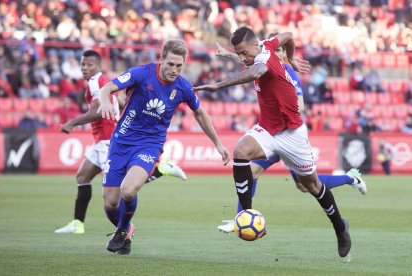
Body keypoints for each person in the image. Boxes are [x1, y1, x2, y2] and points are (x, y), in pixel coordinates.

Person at [194, 27, 351, 258]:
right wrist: (291, 58)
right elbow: (288, 35)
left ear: (255, 46)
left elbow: (256, 72)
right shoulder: (266, 44)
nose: (242, 58)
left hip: (292, 134)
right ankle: (246, 214)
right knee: (241, 152)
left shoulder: (264, 57)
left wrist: (218, 86)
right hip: (268, 129)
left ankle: (339, 227)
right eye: (238, 54)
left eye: (243, 53)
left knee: (312, 186)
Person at [213, 43, 367, 233]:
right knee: (256, 172)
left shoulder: (288, 73)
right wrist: (227, 54)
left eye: (279, 50)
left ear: (284, 54)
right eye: (273, 50)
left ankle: (350, 178)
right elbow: (245, 60)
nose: (274, 53)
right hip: (271, 135)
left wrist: (282, 109)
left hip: (288, 135)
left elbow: (300, 105)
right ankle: (243, 218)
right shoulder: (264, 66)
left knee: (307, 185)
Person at [97, 39, 230, 255]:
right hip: (121, 142)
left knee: (128, 190)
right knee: (110, 204)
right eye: (170, 64)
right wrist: (105, 100)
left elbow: (200, 113)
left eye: (179, 65)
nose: (174, 70)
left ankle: (121, 230)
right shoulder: (141, 73)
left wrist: (218, 143)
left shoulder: (183, 86)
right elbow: (107, 88)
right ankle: (128, 229)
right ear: (161, 59)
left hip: (149, 145)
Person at [54, 50, 188, 235]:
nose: (85, 68)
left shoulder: (98, 83)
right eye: (82, 64)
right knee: (82, 177)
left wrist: (72, 123)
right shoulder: (101, 82)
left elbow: (99, 110)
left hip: (110, 139)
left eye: (89, 65)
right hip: (100, 139)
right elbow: (122, 101)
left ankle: (158, 173)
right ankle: (78, 222)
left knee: (118, 189)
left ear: (98, 66)